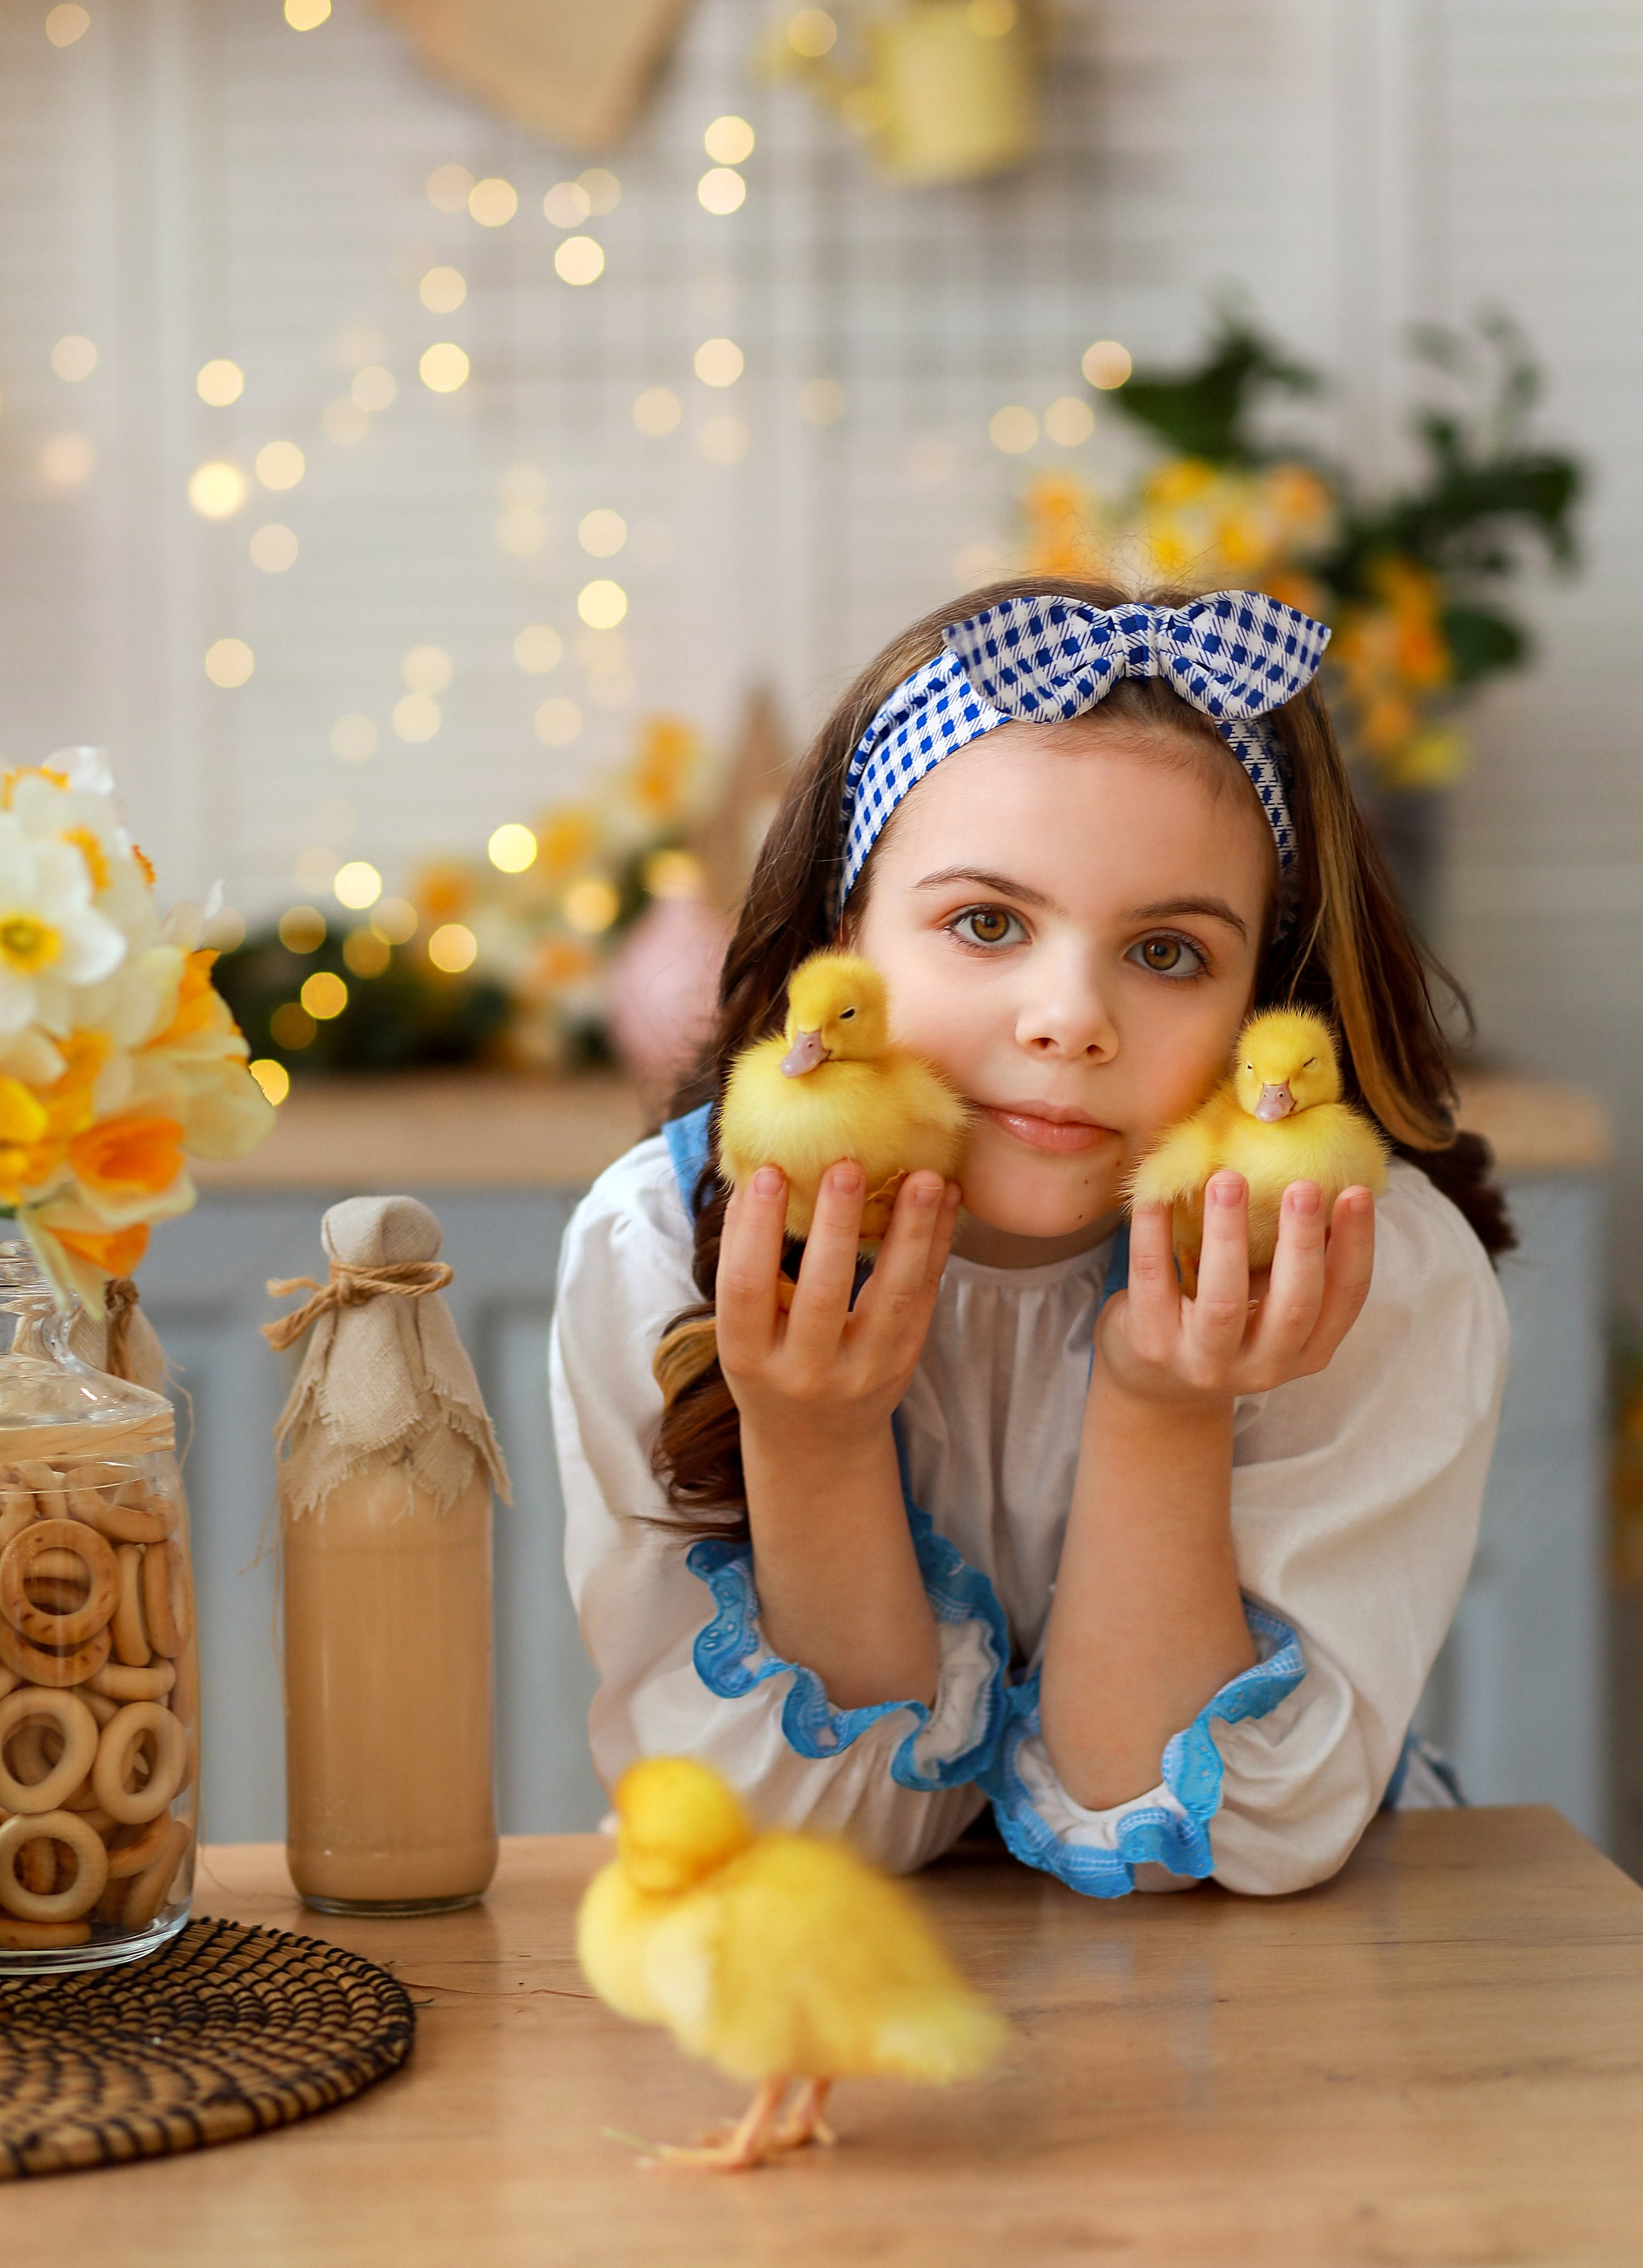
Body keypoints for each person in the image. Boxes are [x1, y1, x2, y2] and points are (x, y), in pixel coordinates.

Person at [550, 580, 1511, 1897]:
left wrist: (1160, 1405)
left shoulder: (1360, 1267)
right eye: (985, 925)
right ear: (844, 935)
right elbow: (791, 1847)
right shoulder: (660, 1242)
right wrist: (810, 1440)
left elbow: (1218, 1843)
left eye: (1167, 952)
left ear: (1256, 1004)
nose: (1068, 1019)